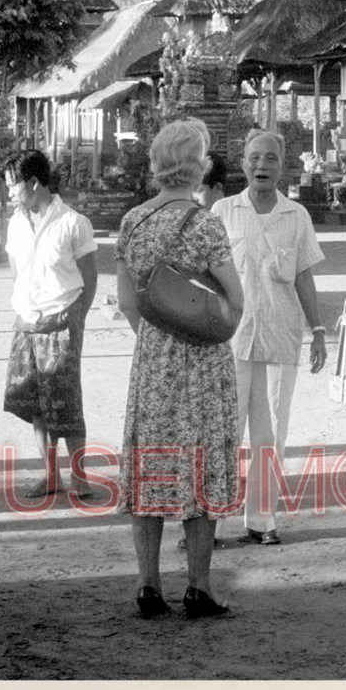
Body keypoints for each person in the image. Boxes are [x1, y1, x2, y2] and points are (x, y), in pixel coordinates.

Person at [116, 119, 246, 619]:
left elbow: (128, 302)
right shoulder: (206, 223)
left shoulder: (133, 223)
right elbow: (236, 297)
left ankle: (149, 585)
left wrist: (157, 338)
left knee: (151, 462)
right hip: (204, 362)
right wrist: (206, 329)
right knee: (203, 465)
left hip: (153, 361)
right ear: (199, 165)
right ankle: (198, 586)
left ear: (156, 163)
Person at [213, 129, 329, 545]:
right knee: (226, 429)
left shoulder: (296, 217)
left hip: (281, 337)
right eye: (255, 158)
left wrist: (317, 331)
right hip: (231, 341)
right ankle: (212, 523)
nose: (262, 165)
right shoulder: (223, 212)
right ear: (243, 164)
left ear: (283, 167)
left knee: (271, 432)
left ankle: (262, 521)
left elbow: (303, 275)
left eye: (271, 159)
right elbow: (207, 278)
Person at [1, 149, 98, 499]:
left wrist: (76, 319)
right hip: (27, 322)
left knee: (67, 402)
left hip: (63, 322)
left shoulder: (73, 223)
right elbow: (17, 274)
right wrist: (28, 307)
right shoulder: (15, 223)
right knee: (35, 403)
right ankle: (50, 475)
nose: (10, 193)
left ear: (34, 183)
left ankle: (80, 476)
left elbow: (89, 278)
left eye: (14, 186)